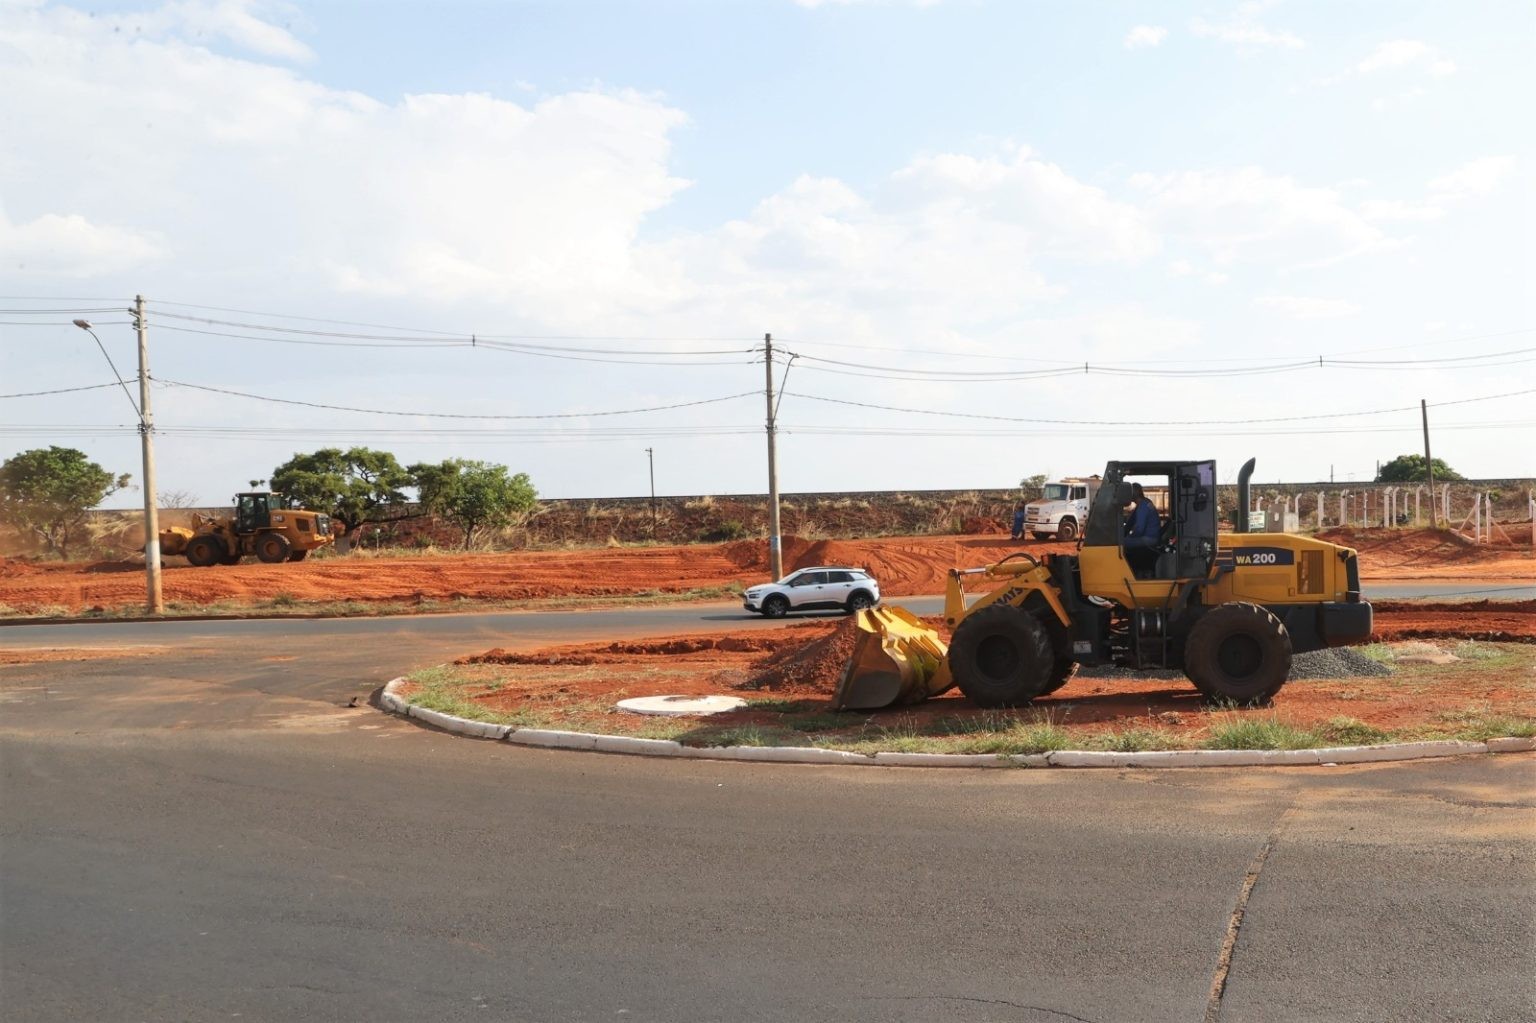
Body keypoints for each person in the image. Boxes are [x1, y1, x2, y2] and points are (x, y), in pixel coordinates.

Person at [1122, 483, 1161, 577]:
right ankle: (1138, 570)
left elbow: (1139, 529)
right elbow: (1133, 521)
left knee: (1121, 543)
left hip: (1149, 538)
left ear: (1134, 494)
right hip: (1152, 536)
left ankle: (1131, 573)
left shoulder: (1142, 507)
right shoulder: (1145, 502)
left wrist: (1128, 536)